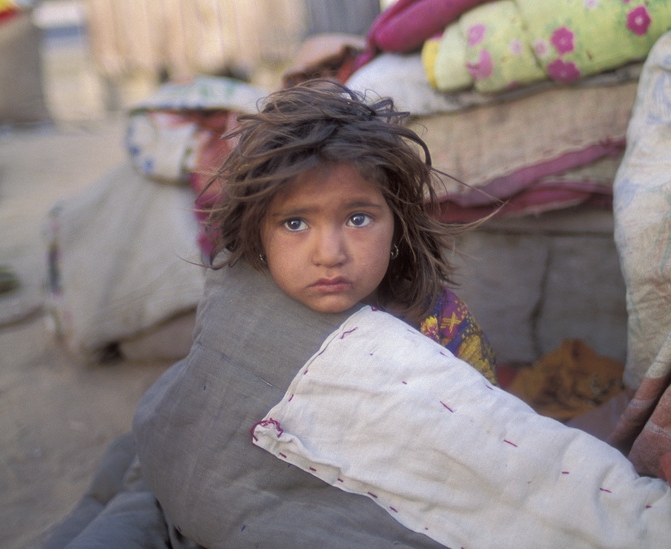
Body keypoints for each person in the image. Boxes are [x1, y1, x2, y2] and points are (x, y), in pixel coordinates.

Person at [205, 79, 496, 382]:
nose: (330, 255)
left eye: (358, 219)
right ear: (257, 238)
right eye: (295, 224)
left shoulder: (440, 324)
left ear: (398, 226)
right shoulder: (240, 328)